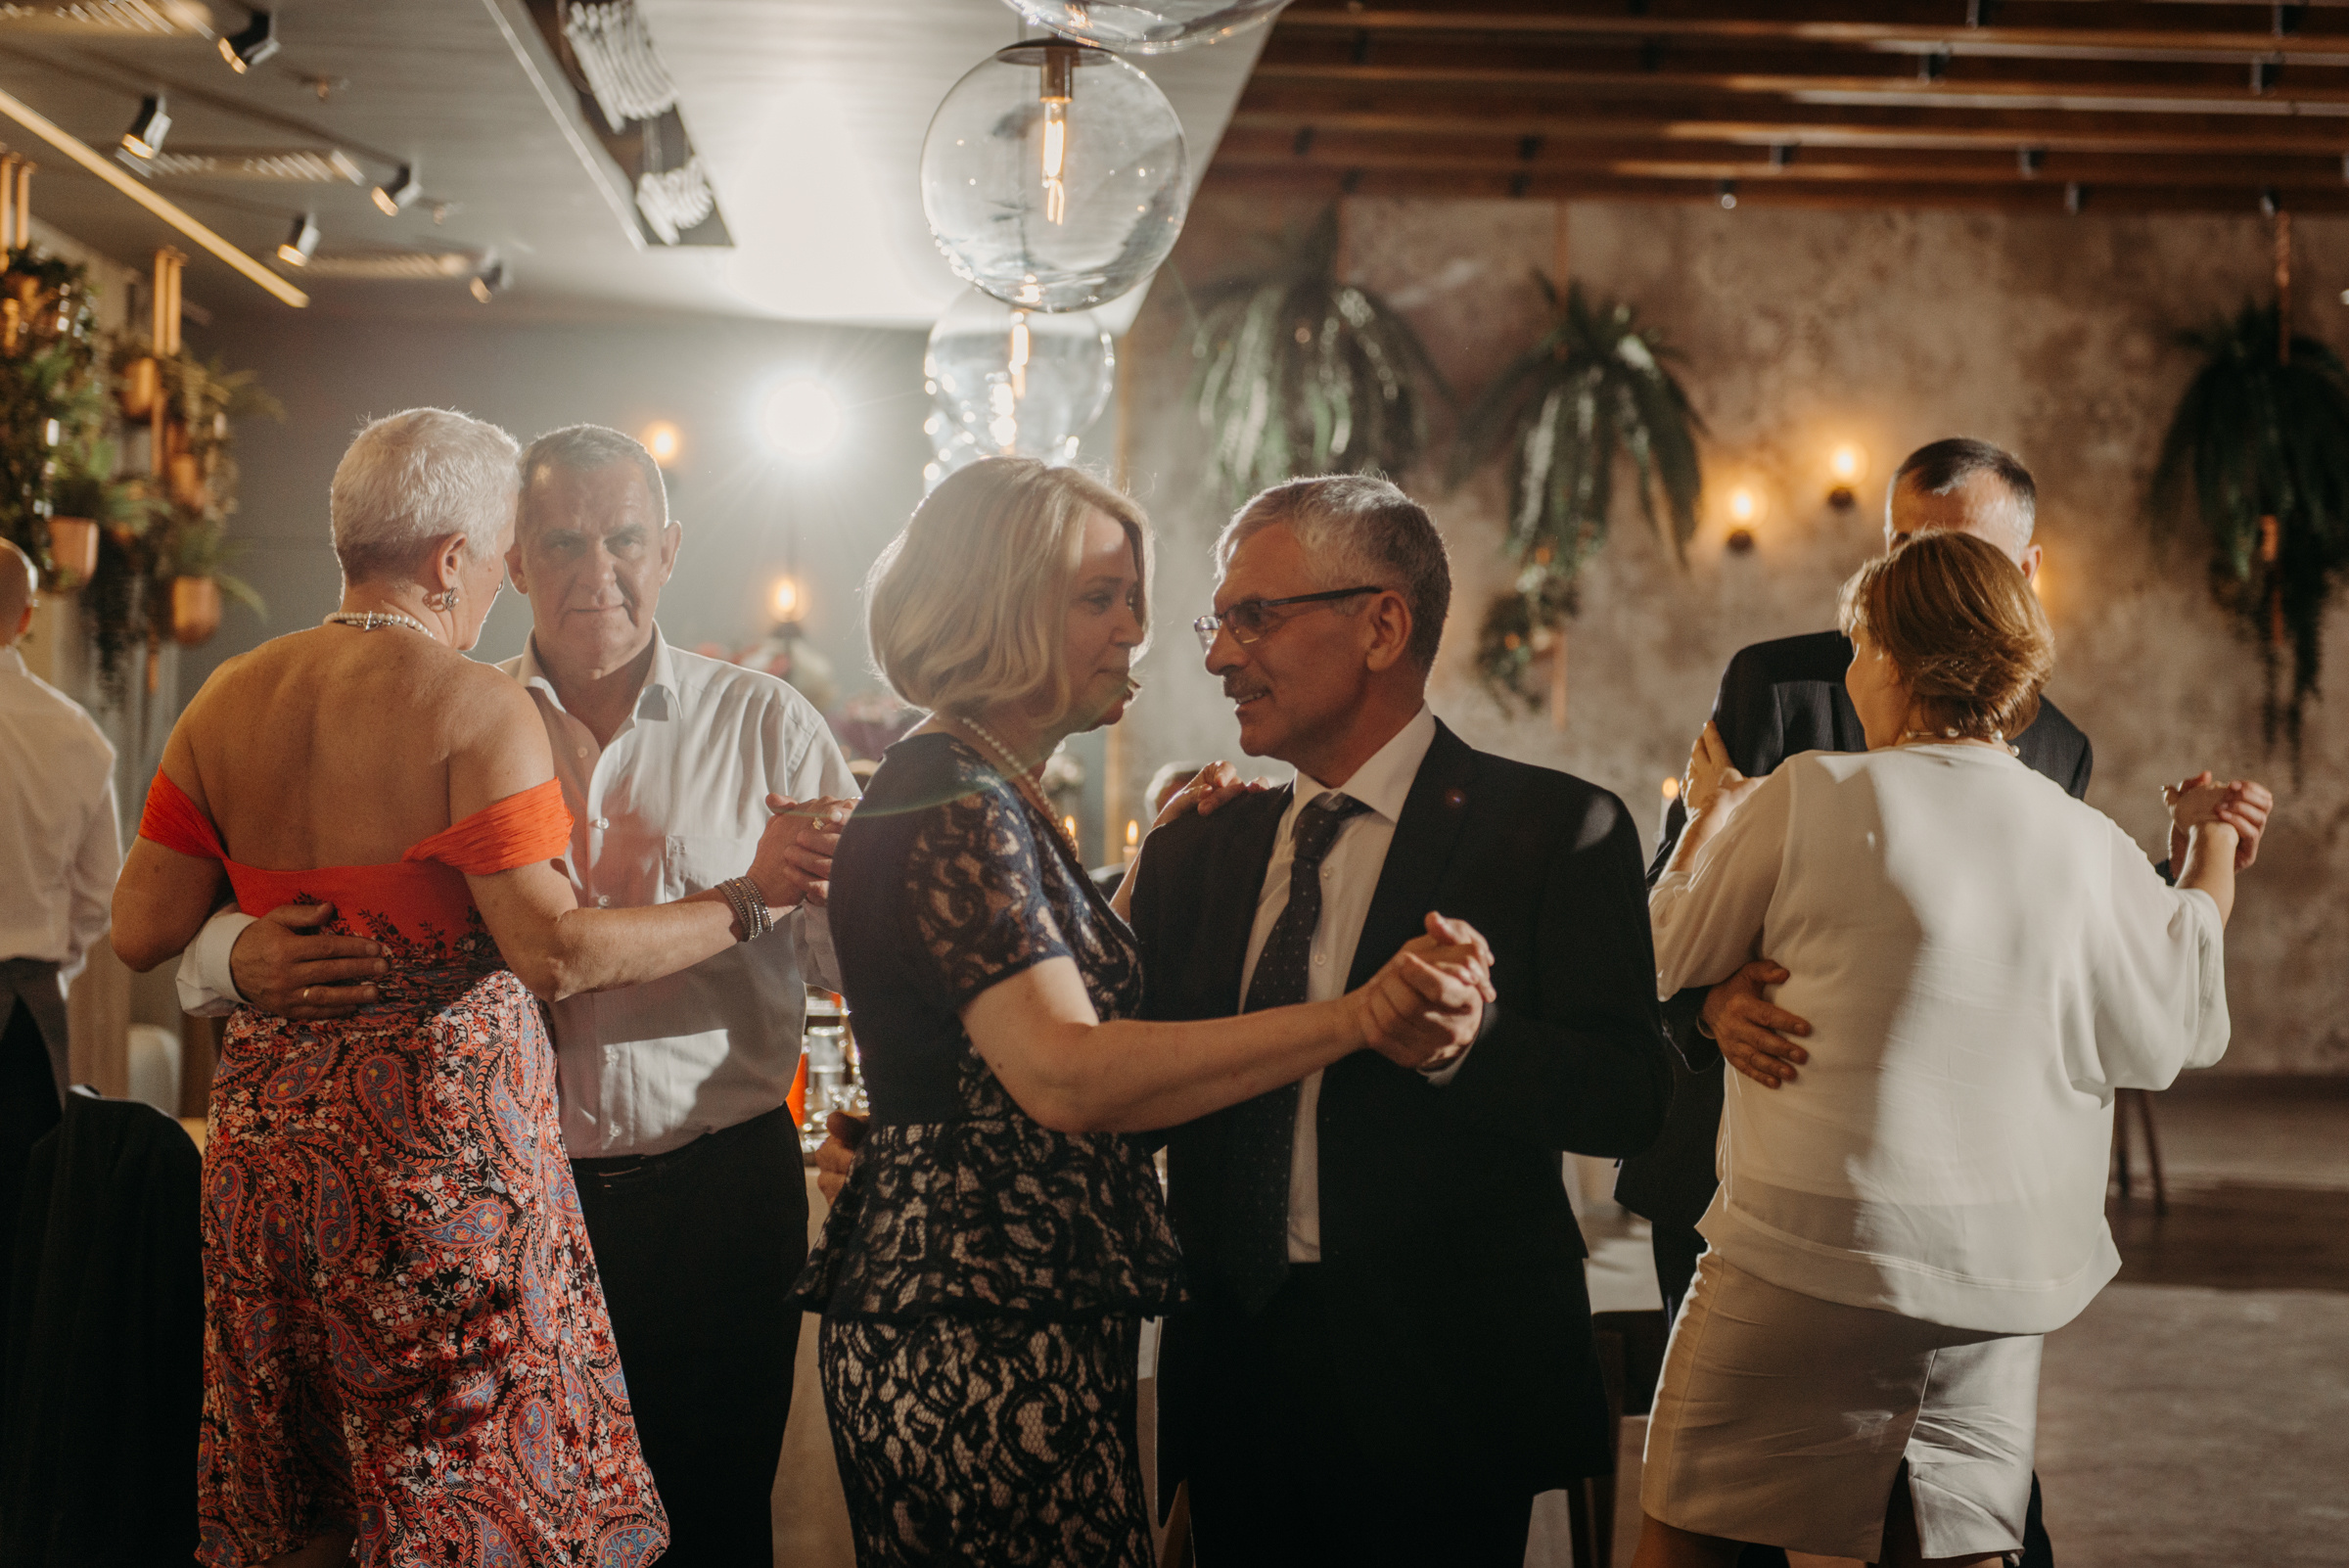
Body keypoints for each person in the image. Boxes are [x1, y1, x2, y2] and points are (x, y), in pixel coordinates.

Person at [111, 408, 811, 1568]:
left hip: (267, 1169)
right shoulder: (473, 706)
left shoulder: (226, 696)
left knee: (308, 1507)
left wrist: (241, 948)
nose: (503, 583)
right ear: (450, 560)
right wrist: (742, 902)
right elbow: (554, 953)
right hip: (430, 1180)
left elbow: (140, 928)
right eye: (503, 556)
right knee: (458, 1502)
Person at [787, 457, 1495, 1568]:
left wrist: (1135, 878)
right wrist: (1355, 1017)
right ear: (1001, 607)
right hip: (981, 1325)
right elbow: (1066, 1073)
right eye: (1099, 599)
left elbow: (989, 995)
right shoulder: (962, 802)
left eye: (1138, 602)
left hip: (1003, 1303)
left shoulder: (974, 784)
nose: (1142, 634)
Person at [1614, 438, 2273, 1567]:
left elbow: (1660, 942)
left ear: (1897, 653)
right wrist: (2207, 847)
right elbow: (2178, 991)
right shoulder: (2083, 839)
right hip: (1996, 1270)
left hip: (1805, 1243)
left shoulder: (1808, 788)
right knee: (1970, 1543)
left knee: (1694, 1530)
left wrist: (1716, 816)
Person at [1133, 476, 1673, 1568]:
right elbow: (1147, 1083)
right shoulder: (1201, 848)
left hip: (1443, 1382)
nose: (1218, 657)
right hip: (1233, 1367)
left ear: (1383, 623)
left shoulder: (1556, 828)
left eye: (1256, 618)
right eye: (1217, 622)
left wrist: (1473, 1047)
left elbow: (1630, 1098)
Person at [0, 537, 120, 1283]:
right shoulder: (77, 735)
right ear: (28, 615)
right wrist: (50, 966)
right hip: (27, 1018)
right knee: (20, 1235)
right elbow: (100, 892)